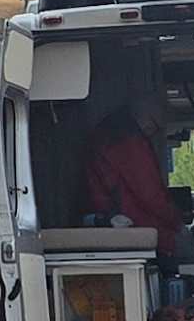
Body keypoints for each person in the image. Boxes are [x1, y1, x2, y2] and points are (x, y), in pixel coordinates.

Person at [77, 102, 182, 259]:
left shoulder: (104, 139)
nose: (153, 133)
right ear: (149, 120)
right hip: (142, 229)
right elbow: (151, 196)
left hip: (124, 226)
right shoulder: (130, 144)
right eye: (156, 126)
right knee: (193, 255)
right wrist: (177, 222)